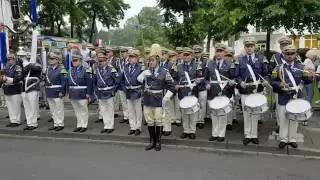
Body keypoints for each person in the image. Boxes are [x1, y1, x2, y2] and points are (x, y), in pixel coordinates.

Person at [271, 45, 311, 149]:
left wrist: (309, 77)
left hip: (296, 95)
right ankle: (283, 138)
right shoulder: (278, 68)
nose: (289, 56)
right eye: (287, 53)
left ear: (295, 54)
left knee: (294, 117)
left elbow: (307, 82)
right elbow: (273, 81)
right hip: (283, 95)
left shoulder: (301, 67)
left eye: (292, 53)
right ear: (283, 54)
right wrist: (279, 85)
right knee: (283, 118)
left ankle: (292, 138)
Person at [137, 44, 175, 151]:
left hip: (158, 99)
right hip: (148, 99)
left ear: (157, 60)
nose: (151, 62)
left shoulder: (164, 72)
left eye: (152, 60)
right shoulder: (147, 70)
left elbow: (172, 87)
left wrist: (166, 98)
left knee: (158, 121)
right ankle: (151, 141)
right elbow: (138, 79)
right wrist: (144, 74)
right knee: (149, 121)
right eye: (149, 60)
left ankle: (158, 141)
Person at [235, 37, 269, 145]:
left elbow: (266, 73)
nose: (249, 48)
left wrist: (265, 81)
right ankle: (247, 134)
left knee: (255, 112)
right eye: (247, 46)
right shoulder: (240, 60)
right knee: (246, 113)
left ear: (255, 47)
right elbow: (237, 75)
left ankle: (254, 135)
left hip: (256, 89)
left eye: (251, 46)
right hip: (245, 89)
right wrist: (240, 82)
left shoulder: (261, 58)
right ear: (244, 47)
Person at [206, 44, 236, 142]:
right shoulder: (210, 63)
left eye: (221, 51)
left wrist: (232, 82)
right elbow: (206, 78)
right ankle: (214, 133)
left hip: (225, 90)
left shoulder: (230, 63)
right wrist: (206, 84)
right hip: (213, 91)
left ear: (224, 52)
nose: (219, 53)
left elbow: (233, 77)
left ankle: (221, 134)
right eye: (217, 51)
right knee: (214, 114)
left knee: (222, 114)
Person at [175, 47, 202, 140]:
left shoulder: (197, 65)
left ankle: (192, 130)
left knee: (193, 112)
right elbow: (175, 78)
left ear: (192, 56)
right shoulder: (178, 66)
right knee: (184, 112)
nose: (186, 57)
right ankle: (186, 130)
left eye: (188, 55)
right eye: (185, 55)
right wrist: (175, 85)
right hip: (182, 91)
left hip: (193, 91)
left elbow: (201, 76)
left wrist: (199, 80)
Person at [270, 36, 293, 131]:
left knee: (291, 105)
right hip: (279, 85)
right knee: (279, 107)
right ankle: (280, 125)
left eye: (287, 44)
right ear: (280, 46)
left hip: (292, 85)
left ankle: (290, 125)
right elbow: (270, 70)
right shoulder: (275, 57)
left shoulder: (295, 55)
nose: (284, 47)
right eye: (283, 45)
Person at [93, 52, 120, 134]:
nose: (101, 63)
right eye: (99, 61)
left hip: (109, 92)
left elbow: (117, 81)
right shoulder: (97, 70)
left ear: (106, 61)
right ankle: (106, 126)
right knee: (103, 110)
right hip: (101, 92)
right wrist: (96, 91)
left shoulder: (111, 69)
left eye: (102, 61)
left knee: (110, 110)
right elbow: (95, 82)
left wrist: (113, 91)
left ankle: (110, 126)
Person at [68, 52, 92, 133]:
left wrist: (88, 94)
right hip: (73, 92)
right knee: (77, 110)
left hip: (82, 92)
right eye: (73, 61)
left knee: (83, 110)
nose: (74, 62)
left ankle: (84, 125)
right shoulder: (70, 70)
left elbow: (89, 83)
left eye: (76, 60)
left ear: (80, 61)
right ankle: (79, 125)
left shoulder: (86, 70)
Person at [45, 52, 67, 131]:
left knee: (59, 108)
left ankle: (60, 124)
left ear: (57, 60)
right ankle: (55, 123)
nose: (50, 61)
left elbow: (64, 82)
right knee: (52, 109)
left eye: (52, 59)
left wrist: (62, 91)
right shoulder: (48, 69)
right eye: (50, 59)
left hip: (58, 91)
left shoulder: (62, 69)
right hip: (49, 91)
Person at [21, 49, 42, 131]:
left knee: (32, 107)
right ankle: (29, 123)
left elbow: (37, 68)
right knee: (27, 108)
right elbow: (23, 73)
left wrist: (29, 64)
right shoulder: (24, 64)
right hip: (24, 89)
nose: (28, 57)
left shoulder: (37, 64)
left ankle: (34, 123)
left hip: (33, 88)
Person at [123, 50, 143, 136]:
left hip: (137, 91)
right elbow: (122, 79)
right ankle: (132, 127)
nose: (130, 59)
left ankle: (138, 127)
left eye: (133, 57)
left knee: (138, 110)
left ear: (137, 58)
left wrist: (141, 90)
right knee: (130, 110)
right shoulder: (125, 67)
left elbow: (144, 81)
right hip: (128, 91)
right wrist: (124, 88)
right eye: (130, 57)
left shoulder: (141, 67)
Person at [1, 53, 23, 127]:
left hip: (15, 89)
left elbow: (18, 78)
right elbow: (2, 75)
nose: (9, 61)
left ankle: (17, 121)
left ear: (14, 59)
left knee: (16, 106)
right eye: (8, 59)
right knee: (10, 107)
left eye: (10, 59)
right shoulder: (6, 67)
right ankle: (12, 120)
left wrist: (7, 79)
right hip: (7, 90)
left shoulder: (17, 67)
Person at [108, 46, 129, 123]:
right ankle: (126, 116)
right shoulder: (119, 62)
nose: (123, 54)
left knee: (128, 102)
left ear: (127, 52)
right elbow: (116, 71)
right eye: (122, 52)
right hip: (120, 84)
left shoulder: (129, 61)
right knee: (123, 101)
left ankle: (130, 117)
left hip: (127, 83)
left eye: (124, 52)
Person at [163, 50, 181, 136]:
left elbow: (175, 77)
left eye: (174, 57)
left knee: (173, 106)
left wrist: (174, 87)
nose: (172, 58)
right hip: (165, 88)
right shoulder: (164, 64)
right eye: (171, 57)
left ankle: (175, 121)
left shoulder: (173, 65)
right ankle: (169, 122)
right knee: (167, 107)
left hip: (172, 88)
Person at [193, 45, 206, 129]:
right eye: (195, 52)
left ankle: (201, 120)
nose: (197, 54)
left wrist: (202, 80)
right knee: (194, 103)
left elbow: (207, 74)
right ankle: (195, 120)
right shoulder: (192, 62)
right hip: (194, 87)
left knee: (202, 103)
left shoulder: (205, 62)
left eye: (198, 52)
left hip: (202, 86)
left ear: (201, 53)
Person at [224, 47, 237, 129]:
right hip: (223, 86)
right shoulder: (222, 63)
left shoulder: (235, 63)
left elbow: (236, 74)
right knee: (224, 104)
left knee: (231, 104)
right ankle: (225, 122)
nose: (228, 57)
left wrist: (234, 81)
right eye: (227, 55)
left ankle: (229, 122)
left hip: (233, 86)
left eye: (230, 55)